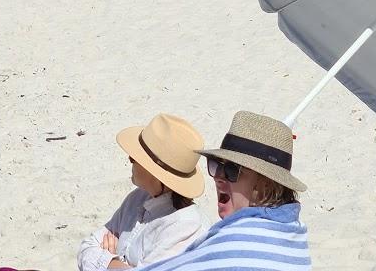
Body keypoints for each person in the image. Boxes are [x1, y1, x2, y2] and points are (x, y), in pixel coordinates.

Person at [139, 111, 310, 270]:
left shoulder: (237, 244)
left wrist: (112, 260)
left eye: (231, 170)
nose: (217, 176)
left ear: (265, 186)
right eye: (216, 165)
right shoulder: (293, 234)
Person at [76, 113, 208, 271]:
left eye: (134, 157)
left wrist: (109, 261)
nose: (129, 159)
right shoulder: (137, 199)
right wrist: (122, 266)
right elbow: (86, 249)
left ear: (154, 172)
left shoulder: (185, 225)